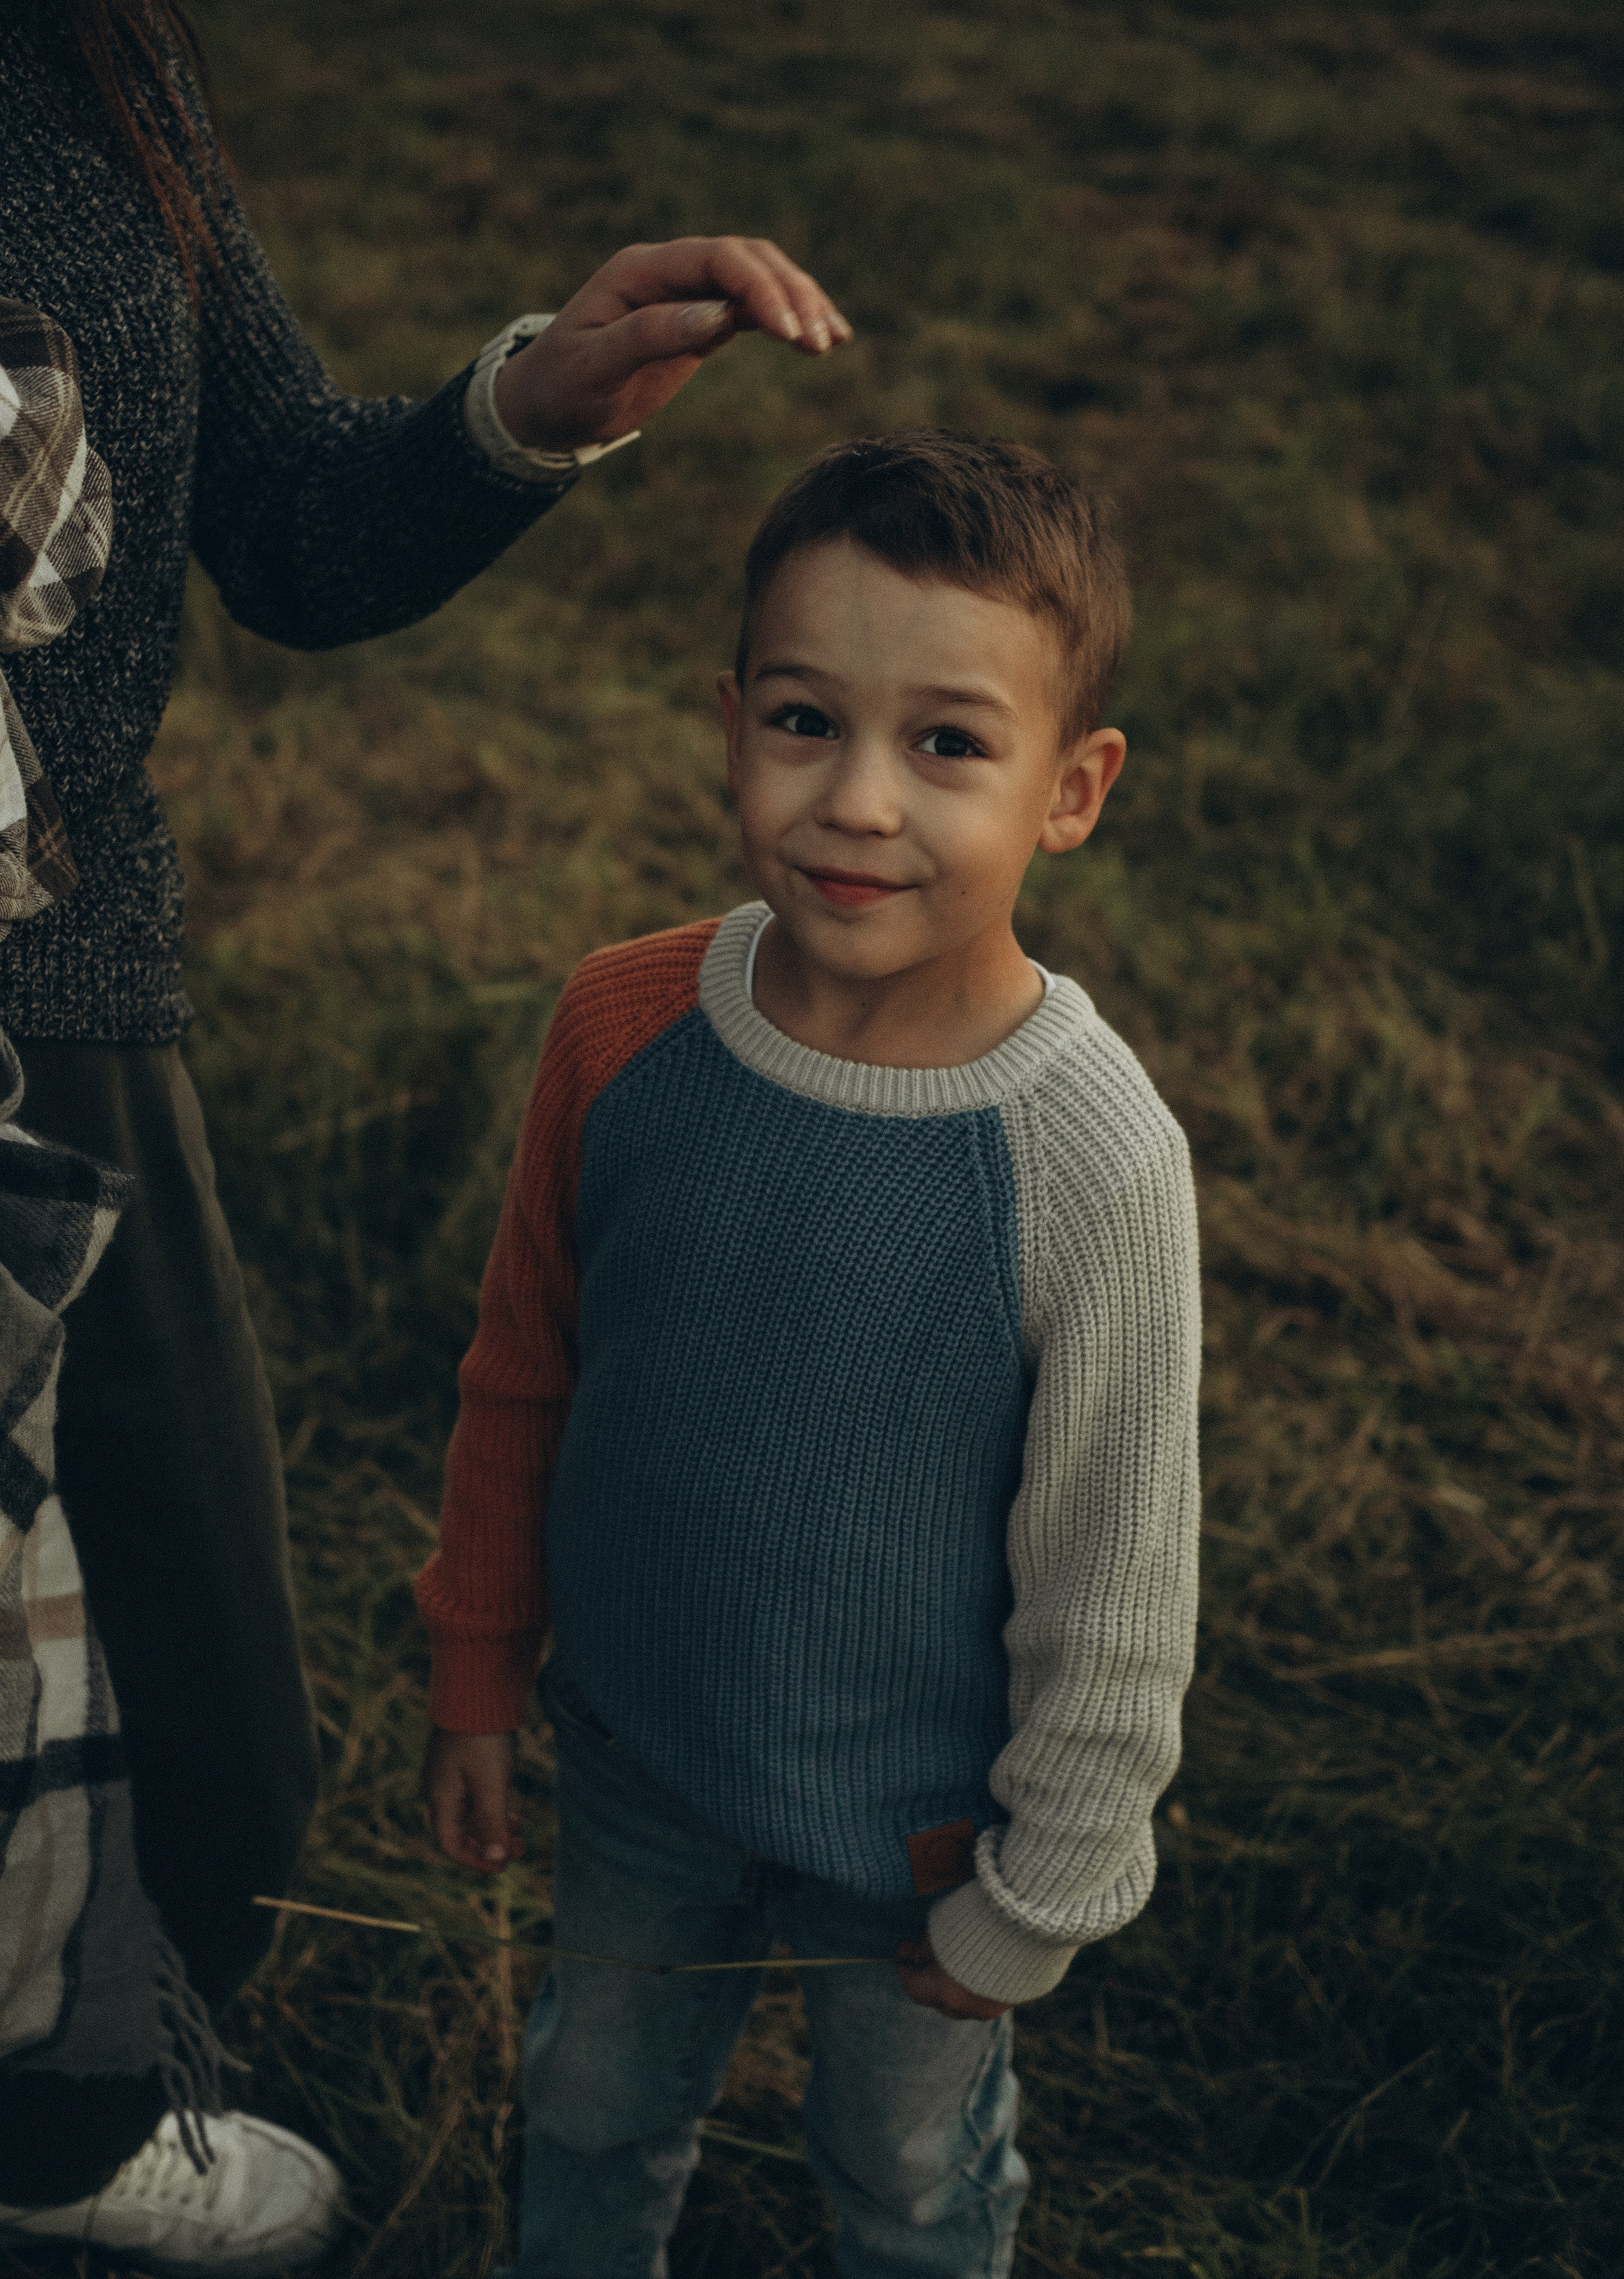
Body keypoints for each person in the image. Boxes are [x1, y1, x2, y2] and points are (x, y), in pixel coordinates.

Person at [0, 0, 849, 2266]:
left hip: (52, 999)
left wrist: (528, 405)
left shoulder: (97, 48)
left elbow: (293, 526)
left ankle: (26, 2118)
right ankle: (45, 2140)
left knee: (210, 1738)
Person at [419, 429, 1203, 2278]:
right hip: (637, 1755)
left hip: (927, 1840)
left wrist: (1041, 1896)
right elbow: (523, 1369)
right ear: (730, 720)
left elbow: (1119, 1572)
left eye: (947, 742)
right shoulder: (623, 1025)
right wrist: (477, 1668)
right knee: (596, 2107)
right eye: (802, 722)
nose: (857, 801)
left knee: (907, 2181)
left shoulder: (1091, 1161)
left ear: (1071, 788)